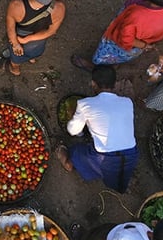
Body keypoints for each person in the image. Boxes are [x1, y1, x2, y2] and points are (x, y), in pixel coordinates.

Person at [55, 65, 138, 193]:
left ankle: (67, 163)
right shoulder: (127, 102)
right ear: (114, 84)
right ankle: (120, 180)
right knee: (116, 169)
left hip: (104, 158)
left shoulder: (85, 104)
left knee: (77, 152)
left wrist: (75, 117)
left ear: (93, 84)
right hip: (131, 155)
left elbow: (73, 131)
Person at [72, 0, 163, 70]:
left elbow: (125, 39)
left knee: (105, 55)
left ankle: (95, 67)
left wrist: (145, 46)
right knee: (121, 57)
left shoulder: (136, 15)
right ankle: (114, 64)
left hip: (124, 44)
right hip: (139, 47)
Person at [0, 0, 66, 76]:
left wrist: (17, 44)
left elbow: (10, 29)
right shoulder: (59, 8)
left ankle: (15, 70)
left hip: (19, 39)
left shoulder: (16, 6)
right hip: (38, 42)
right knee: (34, 53)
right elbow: (51, 31)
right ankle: (32, 59)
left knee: (16, 59)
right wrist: (29, 39)